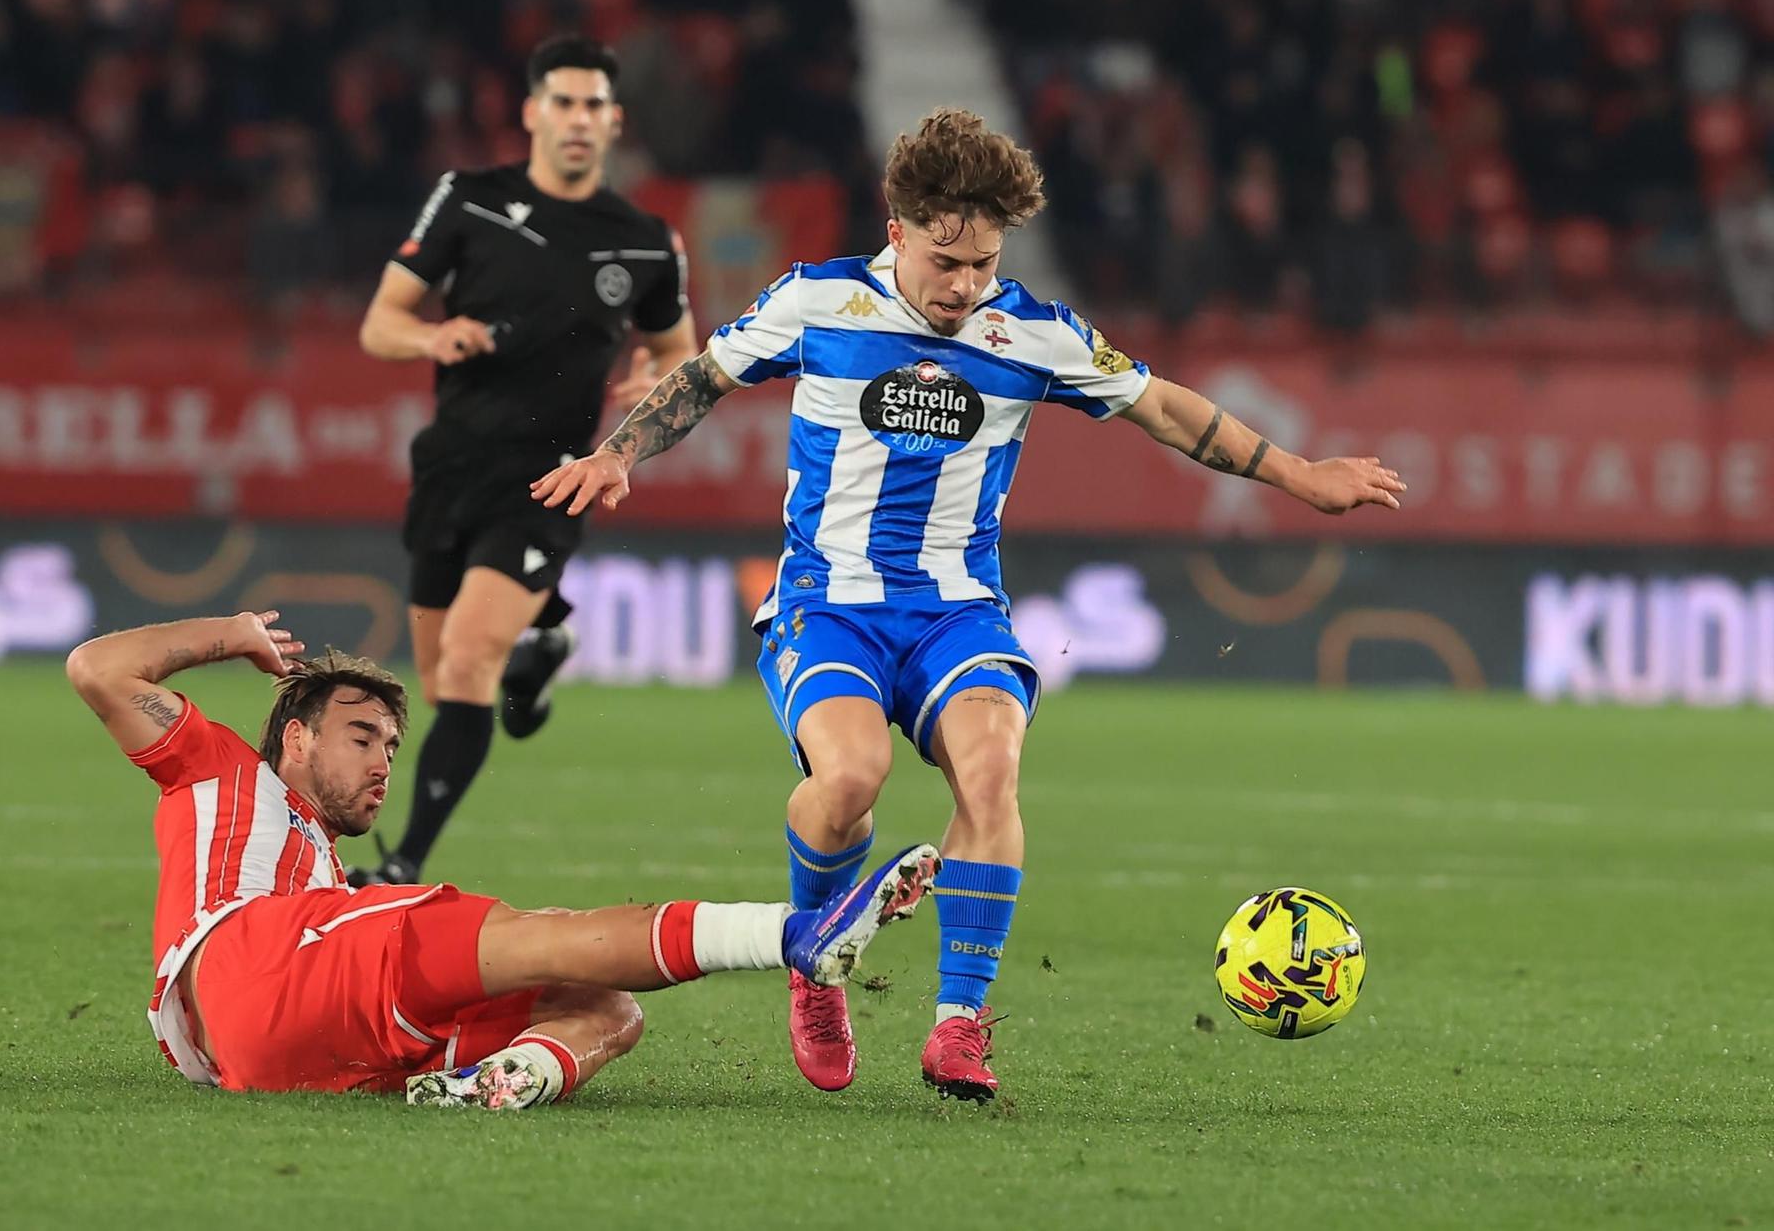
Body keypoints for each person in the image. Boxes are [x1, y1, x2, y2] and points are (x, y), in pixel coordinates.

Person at [533, 108, 1406, 1101]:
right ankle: (813, 968)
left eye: (981, 264)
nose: (961, 286)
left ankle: (958, 1025)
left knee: (990, 773)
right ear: (897, 229)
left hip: (957, 611)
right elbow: (699, 379)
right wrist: (616, 455)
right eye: (945, 260)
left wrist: (1300, 475)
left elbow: (1162, 407)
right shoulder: (818, 302)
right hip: (829, 605)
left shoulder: (1030, 330)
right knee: (849, 777)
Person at [65, 609, 939, 1108]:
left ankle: (515, 1078)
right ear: (294, 737)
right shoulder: (219, 768)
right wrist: (233, 631)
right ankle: (791, 934)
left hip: (276, 1060)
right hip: (253, 956)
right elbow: (97, 667)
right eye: (361, 735)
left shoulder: (325, 874)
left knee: (607, 1005)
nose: (381, 763)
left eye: (393, 746)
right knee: (533, 937)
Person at [352, 33, 697, 885]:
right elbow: (379, 322)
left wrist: (649, 379)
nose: (578, 119)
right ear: (533, 112)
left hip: (550, 476)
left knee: (467, 657)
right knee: (440, 685)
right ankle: (541, 639)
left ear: (614, 122)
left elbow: (678, 355)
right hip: (452, 465)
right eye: (564, 102)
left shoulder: (648, 241)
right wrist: (435, 333)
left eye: (594, 106)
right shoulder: (468, 199)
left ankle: (402, 867)